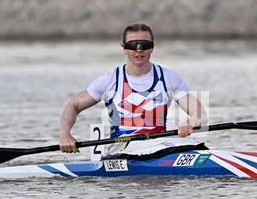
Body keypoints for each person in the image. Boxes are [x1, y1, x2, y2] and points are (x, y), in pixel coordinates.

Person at [59, 23, 206, 154]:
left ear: (152, 47)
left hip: (160, 145)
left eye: (144, 44)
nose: (139, 50)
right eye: (132, 45)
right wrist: (65, 134)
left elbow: (197, 111)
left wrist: (190, 122)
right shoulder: (109, 80)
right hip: (121, 148)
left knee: (197, 146)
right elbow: (74, 105)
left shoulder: (169, 78)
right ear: (123, 48)